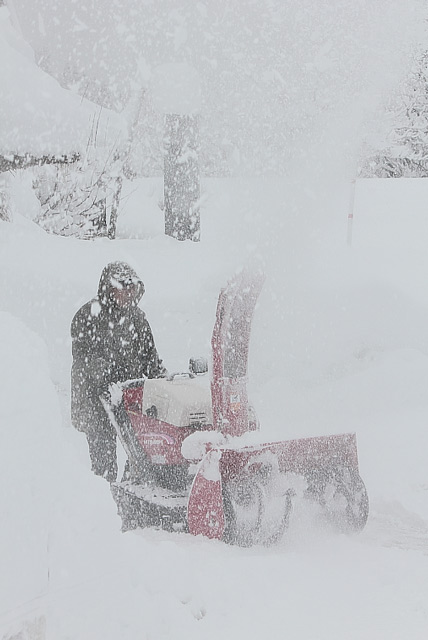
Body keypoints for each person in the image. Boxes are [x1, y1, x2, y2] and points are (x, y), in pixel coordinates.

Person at [71, 261, 166, 482]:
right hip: (95, 399)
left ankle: (130, 492)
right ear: (109, 288)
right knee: (104, 458)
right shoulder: (88, 316)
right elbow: (85, 360)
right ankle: (105, 496)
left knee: (140, 452)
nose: (128, 293)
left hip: (127, 396)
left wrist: (162, 379)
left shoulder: (138, 319)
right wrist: (104, 377)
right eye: (123, 288)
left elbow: (150, 359)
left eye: (132, 288)